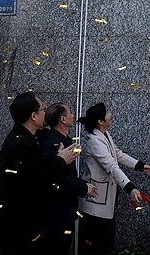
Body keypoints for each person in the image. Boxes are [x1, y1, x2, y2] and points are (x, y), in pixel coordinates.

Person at [0, 92, 81, 255]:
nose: (45, 112)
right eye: (43, 109)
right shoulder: (18, 144)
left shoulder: (34, 137)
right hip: (19, 228)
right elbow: (38, 176)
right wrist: (61, 160)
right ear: (33, 116)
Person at [77, 102, 150, 255]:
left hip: (106, 202)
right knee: (95, 246)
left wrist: (140, 166)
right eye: (107, 113)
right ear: (100, 121)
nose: (110, 114)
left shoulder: (104, 135)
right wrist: (130, 188)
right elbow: (112, 166)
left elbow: (118, 154)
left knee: (106, 244)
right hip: (96, 203)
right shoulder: (94, 141)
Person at [40, 103, 98, 255]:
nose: (74, 115)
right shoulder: (52, 143)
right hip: (57, 212)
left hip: (64, 209)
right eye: (70, 112)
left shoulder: (63, 140)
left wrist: (84, 185)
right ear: (63, 119)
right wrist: (83, 188)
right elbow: (57, 178)